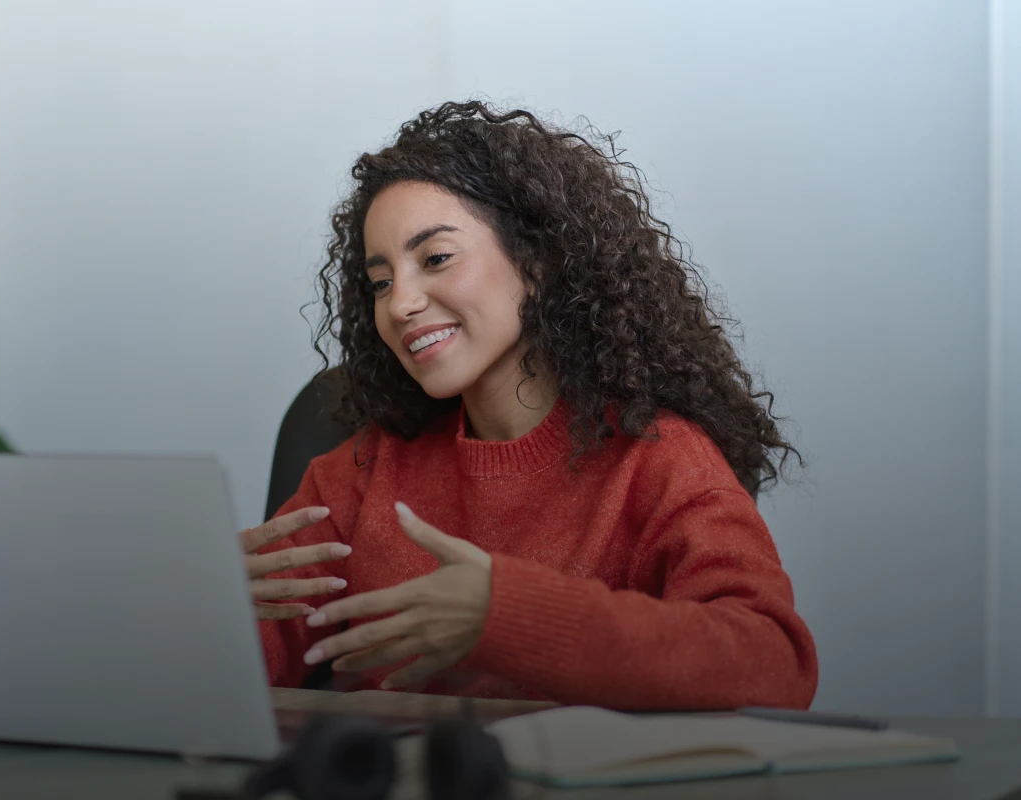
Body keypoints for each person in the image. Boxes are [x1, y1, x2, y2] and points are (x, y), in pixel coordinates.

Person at [239, 101, 818, 710]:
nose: (400, 304)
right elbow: (237, 662)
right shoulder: (361, 471)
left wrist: (510, 615)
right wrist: (198, 605)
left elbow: (772, 664)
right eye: (380, 281)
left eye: (435, 259)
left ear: (537, 263)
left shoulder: (658, 461)